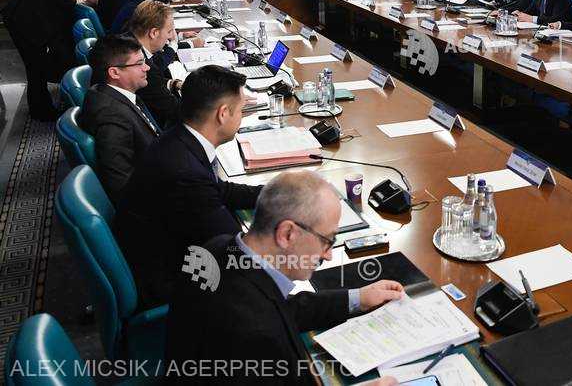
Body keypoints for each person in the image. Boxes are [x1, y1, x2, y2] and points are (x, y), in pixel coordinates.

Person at [166, 171, 401, 386]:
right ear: (287, 234)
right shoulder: (256, 336)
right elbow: (263, 320)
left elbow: (278, 308)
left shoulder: (216, 250)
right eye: (327, 241)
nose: (328, 255)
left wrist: (358, 298)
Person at [116, 65, 262, 306]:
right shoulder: (185, 172)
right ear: (223, 114)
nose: (241, 116)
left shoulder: (179, 137)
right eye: (241, 110)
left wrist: (278, 195)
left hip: (165, 253)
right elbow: (234, 250)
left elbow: (218, 190)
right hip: (174, 281)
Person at [3, 0, 101, 120]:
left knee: (37, 67)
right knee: (35, 67)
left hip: (32, 23)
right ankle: (40, 111)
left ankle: (41, 108)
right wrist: (74, 0)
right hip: (21, 21)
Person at [79, 36, 160, 204]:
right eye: (139, 63)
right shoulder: (112, 117)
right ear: (114, 72)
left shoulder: (106, 92)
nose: (147, 67)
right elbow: (121, 184)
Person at [129, 0, 183, 129]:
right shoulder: (141, 67)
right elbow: (176, 111)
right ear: (154, 33)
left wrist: (173, 83)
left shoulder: (129, 40)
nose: (171, 37)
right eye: (169, 31)